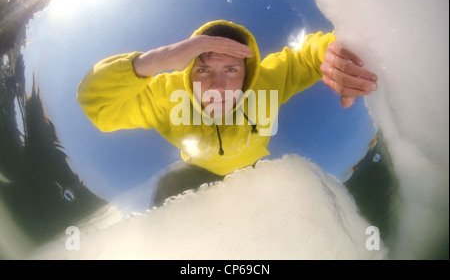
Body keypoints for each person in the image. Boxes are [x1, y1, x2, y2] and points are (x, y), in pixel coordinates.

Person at [77, 20, 378, 207]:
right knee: (167, 191)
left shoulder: (267, 81)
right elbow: (98, 105)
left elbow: (306, 56)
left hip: (253, 169)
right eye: (204, 69)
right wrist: (153, 62)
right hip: (196, 171)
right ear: (187, 70)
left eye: (231, 70)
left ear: (248, 75)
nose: (217, 86)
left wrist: (332, 51)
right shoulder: (166, 95)